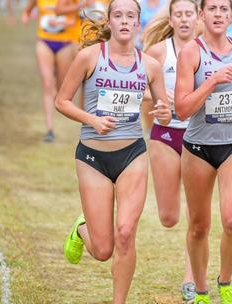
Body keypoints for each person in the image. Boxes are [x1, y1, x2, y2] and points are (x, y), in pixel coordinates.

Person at [56, 0, 171, 302]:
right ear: (108, 22)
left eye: (130, 16)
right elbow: (62, 101)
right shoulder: (89, 57)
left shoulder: (150, 66)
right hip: (93, 158)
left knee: (125, 233)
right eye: (117, 15)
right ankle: (82, 230)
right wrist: (91, 118)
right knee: (104, 250)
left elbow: (165, 113)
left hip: (132, 154)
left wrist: (163, 112)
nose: (123, 21)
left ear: (138, 24)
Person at [174, 0, 232, 301]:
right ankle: (200, 291)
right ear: (202, 15)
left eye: (223, 9)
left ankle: (225, 283)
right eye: (211, 8)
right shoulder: (191, 52)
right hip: (199, 147)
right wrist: (212, 81)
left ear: (231, 14)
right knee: (199, 226)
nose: (217, 14)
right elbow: (183, 109)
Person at [141, 0, 199, 302]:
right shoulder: (158, 53)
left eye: (190, 14)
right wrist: (159, 106)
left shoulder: (206, 49)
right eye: (179, 15)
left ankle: (191, 279)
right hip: (165, 135)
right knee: (169, 217)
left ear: (197, 18)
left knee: (195, 214)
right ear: (172, 19)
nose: (185, 20)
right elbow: (144, 96)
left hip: (200, 138)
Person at [21, 0, 81, 142]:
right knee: (47, 84)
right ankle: (49, 130)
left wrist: (63, 23)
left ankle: (55, 94)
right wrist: (26, 16)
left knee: (61, 89)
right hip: (44, 42)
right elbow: (27, 10)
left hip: (65, 43)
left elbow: (77, 18)